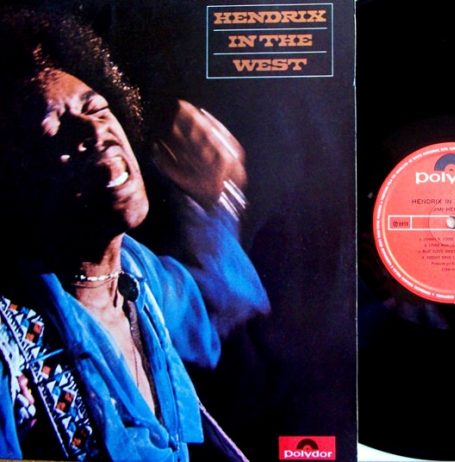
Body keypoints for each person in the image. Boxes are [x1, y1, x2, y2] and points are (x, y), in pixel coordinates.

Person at [0, 7, 269, 461]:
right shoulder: (8, 347)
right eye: (54, 129)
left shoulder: (138, 276)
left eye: (97, 108)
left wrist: (218, 198)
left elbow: (219, 310)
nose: (95, 130)